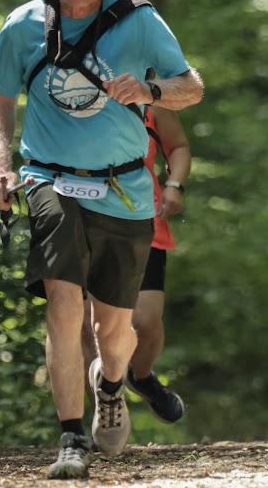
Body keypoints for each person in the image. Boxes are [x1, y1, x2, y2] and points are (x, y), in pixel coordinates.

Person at [0, 0, 203, 479]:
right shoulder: (24, 25)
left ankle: (110, 385)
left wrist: (150, 90)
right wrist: (2, 168)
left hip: (125, 188)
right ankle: (71, 438)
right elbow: (1, 99)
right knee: (63, 303)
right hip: (49, 179)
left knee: (114, 329)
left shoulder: (139, 19)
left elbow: (192, 87)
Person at [82, 104, 191, 424]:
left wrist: (175, 185)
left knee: (145, 321)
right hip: (84, 216)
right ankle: (105, 417)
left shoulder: (150, 95)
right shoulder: (69, 89)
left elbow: (179, 145)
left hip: (142, 215)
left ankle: (141, 376)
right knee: (89, 328)